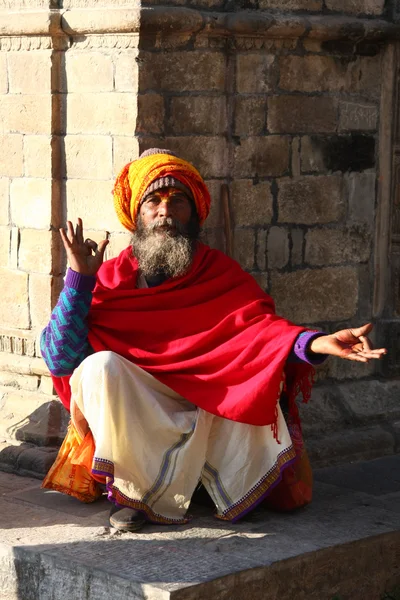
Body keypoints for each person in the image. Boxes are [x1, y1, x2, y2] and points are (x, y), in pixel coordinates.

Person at [40, 148, 386, 532]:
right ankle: (137, 493)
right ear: (137, 215)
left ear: (194, 215)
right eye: (153, 201)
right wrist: (79, 281)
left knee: (258, 374)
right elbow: (58, 358)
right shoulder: (109, 277)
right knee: (97, 368)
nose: (165, 212)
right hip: (144, 403)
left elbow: (263, 332)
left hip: (209, 398)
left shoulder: (218, 272)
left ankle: (231, 487)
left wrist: (318, 344)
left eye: (178, 202)